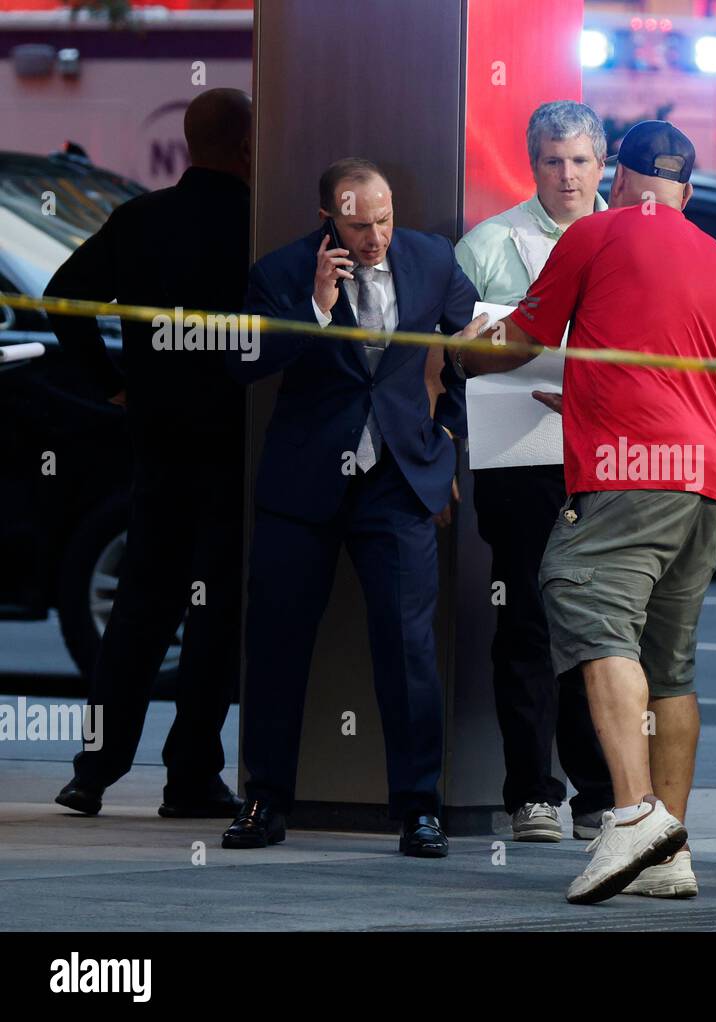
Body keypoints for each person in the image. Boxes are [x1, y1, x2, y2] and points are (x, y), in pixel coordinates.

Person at [457, 120, 716, 904]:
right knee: (670, 668)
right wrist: (586, 391)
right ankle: (670, 851)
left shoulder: (597, 233)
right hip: (704, 479)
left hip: (627, 469)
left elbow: (521, 338)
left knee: (576, 587)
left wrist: (459, 347)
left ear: (617, 177)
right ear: (685, 190)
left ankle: (630, 816)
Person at [221, 158, 476, 858]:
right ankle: (266, 801)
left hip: (396, 481)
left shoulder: (430, 257)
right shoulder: (281, 272)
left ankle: (419, 810)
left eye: (384, 220)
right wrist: (314, 312)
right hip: (303, 487)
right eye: (360, 225)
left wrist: (448, 437)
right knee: (276, 645)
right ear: (328, 216)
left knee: (407, 647)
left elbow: (470, 351)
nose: (375, 238)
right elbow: (240, 363)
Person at [46, 88, 252, 820]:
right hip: (234, 448)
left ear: (193, 145)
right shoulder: (259, 224)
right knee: (214, 617)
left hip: (159, 445)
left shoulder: (140, 218)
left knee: (139, 612)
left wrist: (116, 385)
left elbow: (61, 297)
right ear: (249, 148)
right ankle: (191, 775)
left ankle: (92, 773)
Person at [454, 100, 613, 844]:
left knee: (603, 628)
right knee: (525, 622)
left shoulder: (629, 240)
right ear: (532, 164)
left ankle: (600, 793)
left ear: (602, 164)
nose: (568, 175)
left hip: (609, 459)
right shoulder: (488, 245)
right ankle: (532, 793)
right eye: (553, 160)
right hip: (520, 457)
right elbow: (451, 352)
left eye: (580, 160)